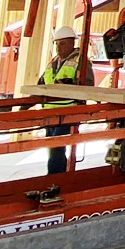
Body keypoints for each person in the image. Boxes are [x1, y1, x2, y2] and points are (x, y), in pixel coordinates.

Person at [37, 23, 89, 176]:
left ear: (73, 43)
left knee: (56, 149)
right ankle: (59, 176)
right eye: (57, 44)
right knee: (53, 149)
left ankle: (54, 178)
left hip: (67, 113)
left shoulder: (81, 62)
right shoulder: (52, 63)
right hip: (50, 115)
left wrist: (70, 86)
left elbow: (88, 87)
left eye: (63, 44)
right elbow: (40, 84)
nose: (59, 48)